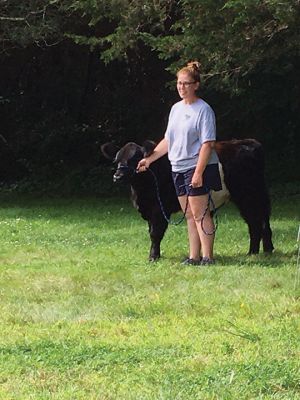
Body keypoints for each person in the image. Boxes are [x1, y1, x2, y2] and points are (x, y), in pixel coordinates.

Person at [137, 61, 222, 266]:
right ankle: (193, 257)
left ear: (196, 85)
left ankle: (207, 257)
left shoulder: (204, 110)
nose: (181, 87)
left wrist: (198, 173)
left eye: (186, 83)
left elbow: (207, 144)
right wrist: (149, 160)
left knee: (201, 213)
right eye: (179, 83)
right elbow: (168, 140)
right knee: (190, 215)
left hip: (197, 167)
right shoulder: (175, 109)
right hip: (178, 167)